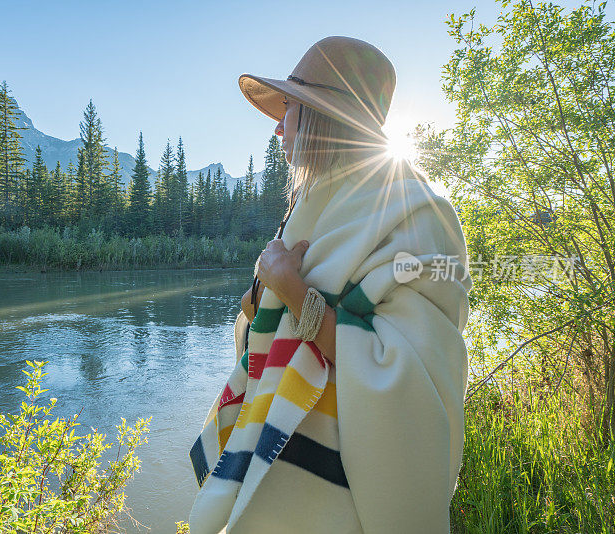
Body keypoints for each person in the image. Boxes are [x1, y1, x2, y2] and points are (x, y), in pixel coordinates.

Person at [188, 36, 473, 533]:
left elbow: (406, 370)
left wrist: (289, 287)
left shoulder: (418, 213)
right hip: (276, 466)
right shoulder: (313, 202)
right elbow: (265, 334)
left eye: (290, 108)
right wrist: (261, 295)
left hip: (344, 492)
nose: (277, 126)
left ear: (323, 117)